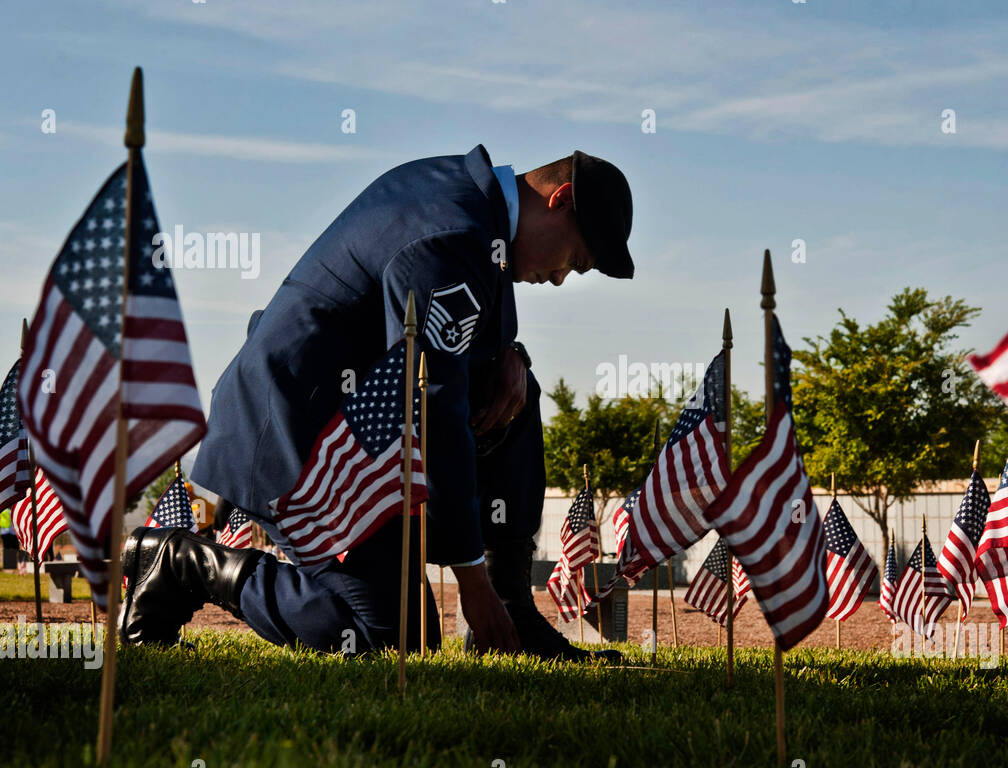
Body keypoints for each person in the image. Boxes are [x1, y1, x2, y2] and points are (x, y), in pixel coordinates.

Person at [119, 146, 634, 662]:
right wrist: (471, 578)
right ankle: (181, 563)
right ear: (560, 201)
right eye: (576, 260)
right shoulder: (454, 234)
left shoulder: (478, 214)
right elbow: (433, 405)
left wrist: (512, 357)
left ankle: (511, 612)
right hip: (298, 433)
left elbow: (456, 356)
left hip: (362, 428)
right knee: (394, 638)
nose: (563, 277)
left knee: (514, 390)